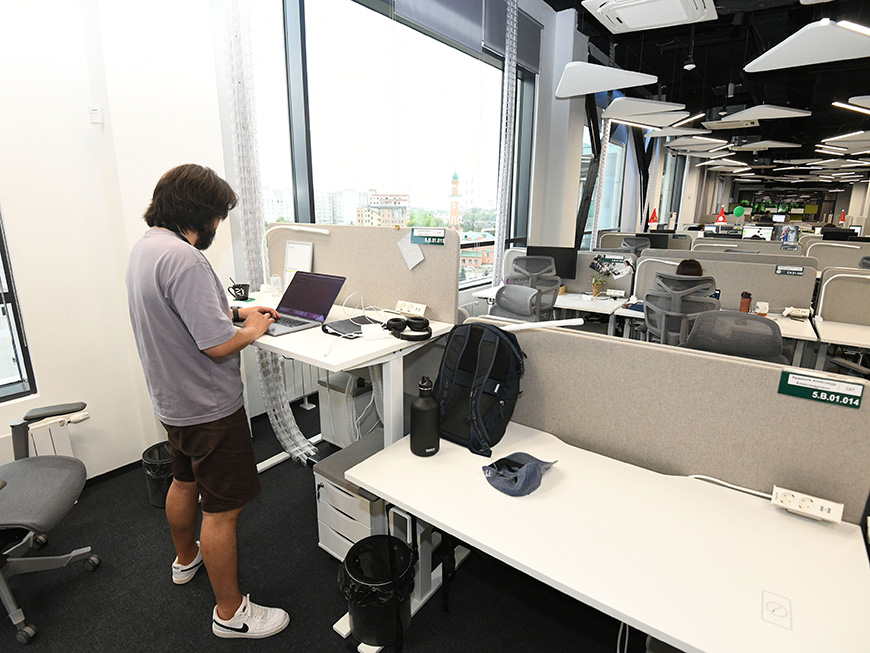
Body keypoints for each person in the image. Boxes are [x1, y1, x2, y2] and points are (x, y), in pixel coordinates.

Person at [126, 164, 289, 639]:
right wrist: (253, 328)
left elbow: (181, 309)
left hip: (173, 402)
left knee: (183, 480)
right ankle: (230, 614)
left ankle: (185, 560)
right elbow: (217, 344)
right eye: (219, 214)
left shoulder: (147, 248)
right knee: (222, 509)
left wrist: (237, 310)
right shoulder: (187, 258)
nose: (219, 224)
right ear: (201, 212)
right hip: (209, 408)